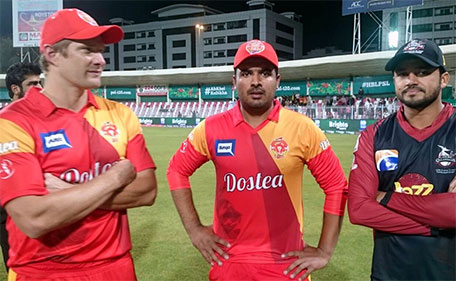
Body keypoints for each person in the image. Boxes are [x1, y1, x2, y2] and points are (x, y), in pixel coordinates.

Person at [167, 39, 348, 281]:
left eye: (264, 73)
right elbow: (176, 170)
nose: (255, 81)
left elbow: (336, 185)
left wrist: (325, 250)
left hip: (286, 266)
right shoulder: (210, 128)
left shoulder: (302, 128)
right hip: (229, 264)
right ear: (234, 81)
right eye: (246, 73)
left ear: (278, 80)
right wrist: (195, 230)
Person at [0, 8, 157, 281]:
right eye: (87, 50)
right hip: (43, 272)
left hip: (116, 268)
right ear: (52, 55)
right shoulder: (13, 121)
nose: (100, 60)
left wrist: (68, 193)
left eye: (101, 51)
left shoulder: (120, 115)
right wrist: (116, 177)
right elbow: (35, 219)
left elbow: (146, 192)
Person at [348, 39, 455, 280]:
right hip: (389, 273)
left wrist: (385, 197)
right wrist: (440, 225)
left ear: (444, 79)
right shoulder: (374, 135)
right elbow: (359, 210)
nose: (411, 80)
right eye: (402, 73)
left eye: (423, 72)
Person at [1, 62, 43, 272]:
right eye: (33, 83)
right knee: (18, 265)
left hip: (40, 204)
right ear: (16, 89)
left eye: (40, 82)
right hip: (9, 205)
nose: (39, 87)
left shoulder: (43, 119)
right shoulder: (5, 121)